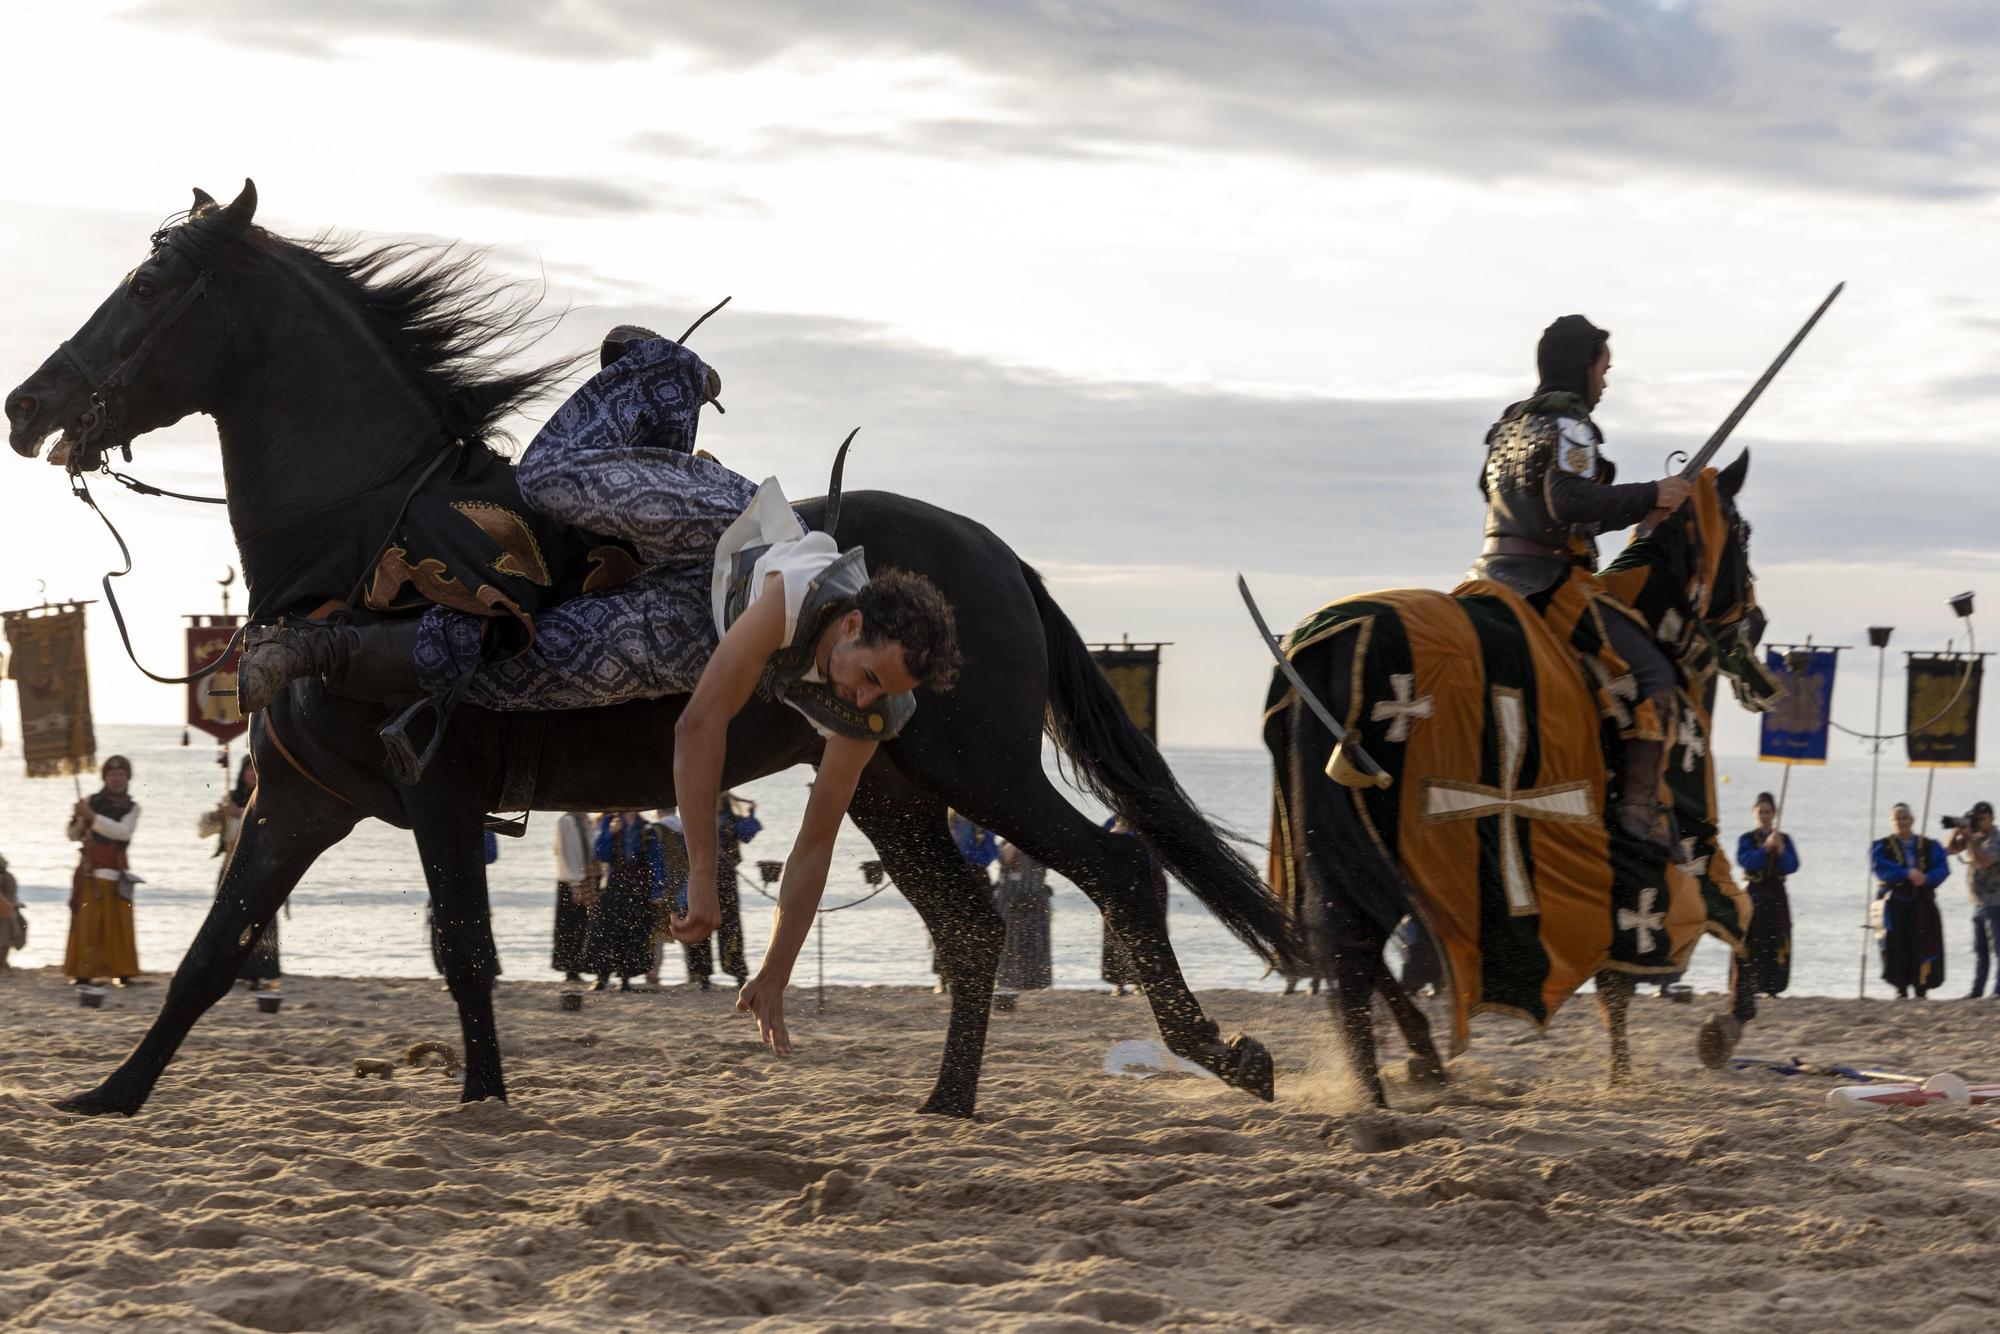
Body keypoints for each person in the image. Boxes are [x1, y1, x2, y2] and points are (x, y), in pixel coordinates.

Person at [235, 328, 962, 1051]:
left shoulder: (873, 707)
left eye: (881, 696)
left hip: (691, 621)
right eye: (866, 677)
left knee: (507, 674)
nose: (862, 701)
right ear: (853, 622)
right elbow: (699, 728)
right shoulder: (793, 596)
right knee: (548, 480)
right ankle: (665, 371)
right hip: (722, 532)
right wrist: (702, 875)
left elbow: (814, 845)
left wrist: (775, 971)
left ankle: (330, 649)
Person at [1465, 316, 1693, 851]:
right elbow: (1566, 501)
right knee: (1655, 672)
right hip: (1546, 581)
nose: (1606, 382)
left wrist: (1639, 511)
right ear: (1582, 365)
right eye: (1603, 368)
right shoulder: (1570, 426)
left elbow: (1531, 505)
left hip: (1487, 577)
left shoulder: (1508, 427)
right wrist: (1653, 492)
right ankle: (1638, 808)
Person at [65, 755, 143, 986]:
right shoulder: (89, 801)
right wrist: (79, 818)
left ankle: (123, 971)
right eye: (111, 775)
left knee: (119, 925)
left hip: (115, 871)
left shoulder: (133, 807)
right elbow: (73, 835)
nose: (116, 779)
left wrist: (92, 817)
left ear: (127, 777)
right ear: (105, 778)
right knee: (87, 925)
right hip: (90, 871)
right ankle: (83, 973)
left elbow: (123, 832)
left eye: (120, 775)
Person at [1873, 802, 1949, 999]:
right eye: (1897, 818)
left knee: (1922, 944)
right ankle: (1900, 988)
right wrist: (1906, 873)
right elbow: (1879, 867)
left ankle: (1921, 987)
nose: (1902, 822)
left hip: (1921, 904)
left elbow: (1943, 868)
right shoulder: (1882, 846)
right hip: (1895, 903)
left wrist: (1927, 878)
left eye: (1905, 817)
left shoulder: (1930, 845)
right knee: (1896, 946)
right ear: (1891, 822)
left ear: (1913, 820)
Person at [681, 793, 755, 991]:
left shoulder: (731, 820)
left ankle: (738, 974)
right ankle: (703, 976)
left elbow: (747, 834)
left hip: (726, 879)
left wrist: (751, 813)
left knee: (730, 926)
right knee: (702, 920)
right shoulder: (698, 820)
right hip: (703, 876)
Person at [1733, 791, 1799, 1008]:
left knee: (1776, 938)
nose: (1764, 815)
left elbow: (1792, 865)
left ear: (1775, 813)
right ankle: (1748, 984)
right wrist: (1765, 849)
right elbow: (1745, 861)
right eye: (1761, 811)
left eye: (1768, 811)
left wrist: (1780, 851)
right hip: (1754, 894)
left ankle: (1773, 986)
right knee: (1752, 939)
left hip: (1776, 895)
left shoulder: (1784, 839)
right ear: (1754, 813)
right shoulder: (1746, 839)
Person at [221, 753, 282, 989]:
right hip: (232, 867)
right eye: (249, 770)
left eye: (256, 771)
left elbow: (269, 829)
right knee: (229, 919)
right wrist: (217, 816)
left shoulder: (271, 800)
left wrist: (241, 814)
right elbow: (205, 830)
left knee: (260, 920)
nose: (252, 775)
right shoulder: (231, 799)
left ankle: (261, 971)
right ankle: (231, 970)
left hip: (260, 866)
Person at [586, 811, 665, 992]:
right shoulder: (609, 821)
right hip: (613, 888)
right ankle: (602, 977)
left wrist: (657, 891)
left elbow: (656, 862)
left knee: (633, 935)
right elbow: (599, 854)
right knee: (606, 933)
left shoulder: (647, 828)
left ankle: (625, 979)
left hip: (638, 890)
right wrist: (610, 833)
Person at [1101, 814, 1168, 997]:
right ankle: (1118, 981)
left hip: (1148, 881)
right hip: (1118, 882)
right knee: (1115, 932)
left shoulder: (1149, 823)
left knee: (1147, 933)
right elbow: (1101, 848)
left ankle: (1144, 981)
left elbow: (1157, 856)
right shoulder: (1111, 822)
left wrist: (1127, 836)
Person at [1946, 801, 2000, 998]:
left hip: (1996, 902)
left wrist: (1970, 837)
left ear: (1992, 818)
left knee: (1998, 949)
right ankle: (1977, 991)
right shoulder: (1974, 836)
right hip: (1977, 901)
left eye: (1981, 818)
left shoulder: (1997, 839)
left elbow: (1985, 861)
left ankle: (1998, 991)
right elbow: (1949, 849)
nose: (1978, 822)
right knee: (1980, 951)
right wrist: (1958, 829)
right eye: (1975, 818)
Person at [991, 840, 1053, 1009]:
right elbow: (1003, 858)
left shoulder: (1039, 840)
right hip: (1010, 891)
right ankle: (1007, 980)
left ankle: (1034, 980)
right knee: (1008, 938)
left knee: (1035, 937)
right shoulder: (1006, 840)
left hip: (1035, 890)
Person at [551, 810, 600, 984]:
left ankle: (577, 966)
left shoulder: (584, 821)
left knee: (581, 924)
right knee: (570, 925)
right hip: (572, 881)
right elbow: (567, 853)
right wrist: (575, 884)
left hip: (582, 879)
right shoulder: (567, 821)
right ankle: (570, 969)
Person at [0, 853, 24, 976]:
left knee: (17, 922)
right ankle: (2, 963)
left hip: (6, 910)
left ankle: (3, 962)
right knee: (7, 927)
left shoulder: (8, 878)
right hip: (5, 912)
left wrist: (15, 905)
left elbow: (10, 897)